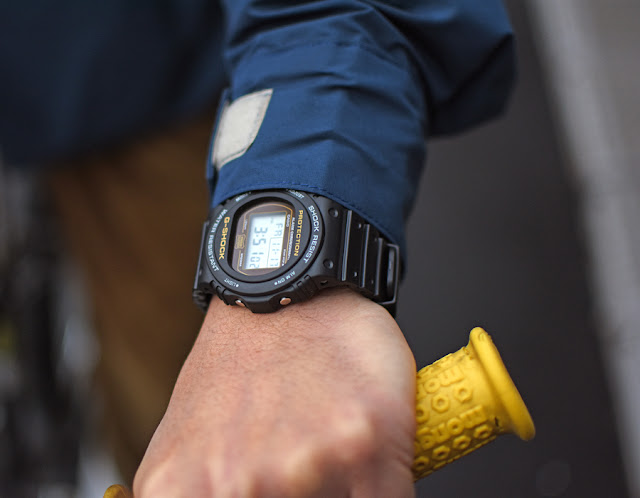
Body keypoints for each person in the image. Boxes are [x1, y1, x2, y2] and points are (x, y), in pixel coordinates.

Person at [0, 1, 515, 496]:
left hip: (138, 83)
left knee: (212, 446)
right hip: (32, 95)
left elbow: (334, 11)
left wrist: (274, 314)